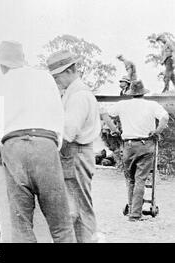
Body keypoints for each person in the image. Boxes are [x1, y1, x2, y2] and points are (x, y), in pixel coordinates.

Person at [0, 41, 76, 243]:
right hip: (45, 144)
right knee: (61, 224)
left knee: (21, 226)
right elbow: (58, 116)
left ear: (2, 64)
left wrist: (0, 155)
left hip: (13, 147)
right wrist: (52, 146)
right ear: (23, 60)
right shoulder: (44, 77)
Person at [46, 50, 101, 242]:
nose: (56, 81)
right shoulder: (73, 92)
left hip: (76, 153)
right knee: (76, 206)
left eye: (57, 76)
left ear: (69, 71)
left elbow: (68, 132)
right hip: (75, 153)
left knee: (79, 207)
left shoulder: (78, 95)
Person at [101, 80, 169, 221]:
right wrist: (157, 131)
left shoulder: (123, 104)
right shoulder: (152, 105)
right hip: (146, 144)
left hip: (128, 145)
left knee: (130, 179)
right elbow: (164, 117)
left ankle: (133, 207)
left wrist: (114, 130)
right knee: (140, 180)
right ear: (143, 92)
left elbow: (104, 114)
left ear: (131, 92)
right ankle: (135, 213)